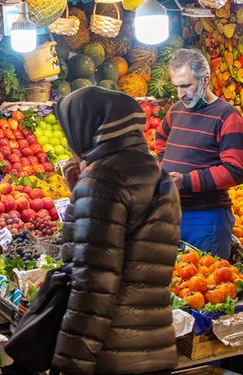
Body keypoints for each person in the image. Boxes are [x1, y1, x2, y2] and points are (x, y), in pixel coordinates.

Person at [53, 87, 181, 374]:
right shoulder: (158, 174)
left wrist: (70, 365)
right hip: (156, 347)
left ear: (86, 128)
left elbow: (92, 287)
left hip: (109, 356)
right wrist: (79, 195)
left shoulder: (102, 180)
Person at [154, 48, 243, 259]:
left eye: (186, 86)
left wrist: (186, 181)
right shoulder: (176, 110)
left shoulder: (227, 116)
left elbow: (236, 170)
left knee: (207, 283)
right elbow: (160, 137)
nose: (180, 93)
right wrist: (164, 164)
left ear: (206, 79)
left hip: (206, 219)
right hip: (171, 213)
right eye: (176, 86)